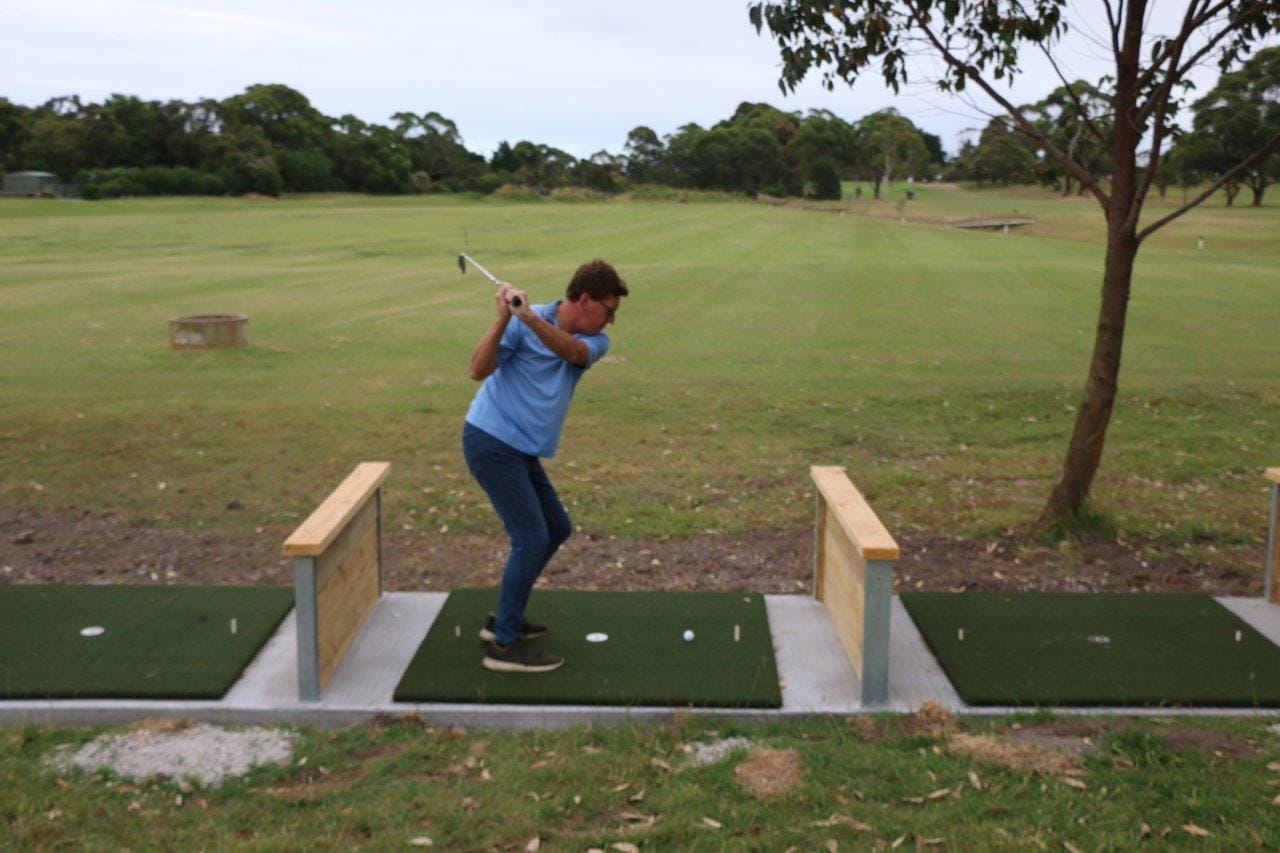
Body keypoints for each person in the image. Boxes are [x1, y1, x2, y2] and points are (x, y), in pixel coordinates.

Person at [463, 259, 628, 672]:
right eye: (609, 310)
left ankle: (507, 618)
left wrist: (528, 318)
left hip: (521, 449)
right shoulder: (523, 319)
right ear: (586, 300)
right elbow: (476, 370)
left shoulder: (594, 342)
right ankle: (504, 644)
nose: (611, 321)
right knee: (531, 537)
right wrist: (504, 319)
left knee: (556, 528)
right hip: (491, 439)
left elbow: (570, 350)